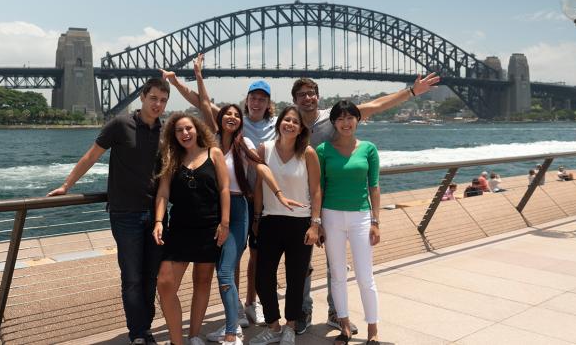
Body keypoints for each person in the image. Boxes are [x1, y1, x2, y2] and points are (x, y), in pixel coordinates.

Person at [171, 72, 440, 334]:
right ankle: (288, 311)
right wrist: (182, 81)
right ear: (294, 101)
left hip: (321, 202)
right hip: (269, 205)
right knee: (285, 264)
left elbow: (375, 106)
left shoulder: (330, 119)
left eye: (311, 93)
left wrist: (412, 91)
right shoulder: (273, 124)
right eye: (301, 95)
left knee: (322, 265)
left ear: (317, 96)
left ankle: (333, 313)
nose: (307, 98)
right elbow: (204, 104)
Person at [174, 55, 303, 344]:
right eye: (252, 98)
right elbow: (202, 103)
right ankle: (232, 323)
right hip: (213, 210)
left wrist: (281, 193)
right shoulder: (211, 141)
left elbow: (261, 165)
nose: (256, 103)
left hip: (250, 205)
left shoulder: (253, 137)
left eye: (262, 99)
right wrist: (194, 76)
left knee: (236, 267)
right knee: (223, 270)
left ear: (267, 104)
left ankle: (238, 322)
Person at [47, 78, 170, 345]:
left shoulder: (165, 131)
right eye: (154, 98)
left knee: (151, 276)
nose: (158, 104)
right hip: (125, 213)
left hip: (157, 216)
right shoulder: (120, 124)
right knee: (132, 277)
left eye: (163, 100)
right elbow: (91, 155)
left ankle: (144, 328)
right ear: (142, 97)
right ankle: (137, 333)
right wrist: (67, 185)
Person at [152, 113, 230, 345]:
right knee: (165, 282)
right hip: (179, 229)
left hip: (209, 228)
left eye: (188, 128)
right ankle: (177, 341)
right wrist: (158, 221)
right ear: (173, 135)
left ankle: (194, 336)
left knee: (203, 280)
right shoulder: (170, 157)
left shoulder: (213, 153)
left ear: (197, 129)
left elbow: (225, 189)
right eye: (179, 130)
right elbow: (163, 192)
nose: (185, 133)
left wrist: (224, 223)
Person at [250, 106, 322, 345]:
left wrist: (315, 224)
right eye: (286, 120)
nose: (290, 124)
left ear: (301, 128)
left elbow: (316, 190)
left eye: (295, 121)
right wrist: (257, 218)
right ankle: (273, 326)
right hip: (271, 221)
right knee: (263, 278)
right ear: (279, 123)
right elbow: (259, 186)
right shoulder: (265, 149)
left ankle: (290, 326)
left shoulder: (308, 153)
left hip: (300, 223)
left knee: (296, 278)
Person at [317, 101, 381, 345]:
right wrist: (318, 222)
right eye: (341, 118)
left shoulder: (369, 149)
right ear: (334, 123)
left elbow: (374, 186)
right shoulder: (323, 150)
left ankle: (373, 329)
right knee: (338, 275)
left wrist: (376, 221)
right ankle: (344, 325)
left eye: (350, 117)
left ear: (358, 120)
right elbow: (319, 188)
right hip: (331, 216)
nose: (346, 123)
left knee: (366, 276)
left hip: (361, 217)